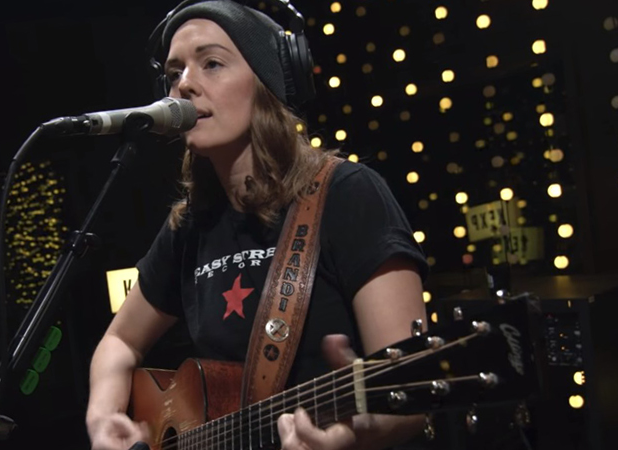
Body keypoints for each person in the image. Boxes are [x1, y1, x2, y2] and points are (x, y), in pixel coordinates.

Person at [85, 2, 429, 450]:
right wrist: (103, 419)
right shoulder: (191, 225)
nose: (184, 86)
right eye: (174, 73)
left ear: (270, 79)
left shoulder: (347, 193)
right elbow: (119, 342)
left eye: (211, 64)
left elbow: (413, 392)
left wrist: (350, 437)